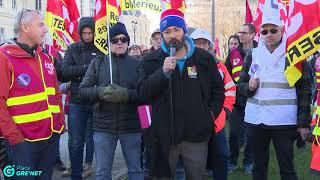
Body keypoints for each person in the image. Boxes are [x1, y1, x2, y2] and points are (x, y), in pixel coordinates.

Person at [138, 9, 225, 180]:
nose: (172, 35)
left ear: (184, 31)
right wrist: (162, 72)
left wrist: (208, 116)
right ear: (162, 35)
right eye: (167, 31)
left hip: (196, 136)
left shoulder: (204, 59)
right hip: (163, 137)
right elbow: (141, 94)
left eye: (176, 30)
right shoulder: (150, 60)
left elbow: (218, 90)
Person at [237, 15, 311, 180]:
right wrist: (248, 87)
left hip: (283, 121)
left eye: (273, 30)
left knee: (287, 168)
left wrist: (303, 123)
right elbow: (240, 87)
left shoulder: (294, 54)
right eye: (264, 31)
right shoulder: (253, 54)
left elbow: (305, 89)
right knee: (258, 167)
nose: (268, 34)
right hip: (256, 121)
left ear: (282, 30)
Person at [0, 9, 65, 179]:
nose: (46, 29)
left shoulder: (46, 59)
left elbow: (56, 95)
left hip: (50, 139)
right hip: (22, 143)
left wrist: (59, 124)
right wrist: (15, 138)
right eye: (41, 24)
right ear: (25, 27)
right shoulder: (4, 58)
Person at [79, 22, 143, 180]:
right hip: (104, 127)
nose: (119, 42)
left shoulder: (138, 64)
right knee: (102, 172)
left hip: (131, 126)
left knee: (135, 170)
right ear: (108, 43)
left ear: (128, 42)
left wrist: (127, 95)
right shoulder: (98, 62)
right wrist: (100, 92)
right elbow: (83, 90)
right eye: (114, 40)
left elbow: (145, 94)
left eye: (123, 39)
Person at [191, 28, 236, 180]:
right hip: (193, 123)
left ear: (209, 46)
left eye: (204, 43)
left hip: (217, 122)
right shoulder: (185, 64)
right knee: (195, 162)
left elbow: (230, 89)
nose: (200, 46)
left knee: (221, 157)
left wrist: (225, 111)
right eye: (197, 43)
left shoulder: (220, 67)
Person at [62, 17, 102, 179]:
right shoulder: (72, 49)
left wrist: (78, 72)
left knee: (94, 138)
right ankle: (76, 174)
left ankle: (88, 165)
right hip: (77, 102)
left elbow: (103, 73)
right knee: (76, 141)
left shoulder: (100, 50)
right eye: (84, 33)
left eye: (90, 33)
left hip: (95, 101)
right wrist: (88, 68)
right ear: (80, 33)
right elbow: (65, 71)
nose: (87, 36)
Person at [225, 23, 257, 174]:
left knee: (252, 135)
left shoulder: (260, 51)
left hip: (255, 100)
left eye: (244, 32)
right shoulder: (232, 53)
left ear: (252, 34)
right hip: (237, 102)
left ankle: (249, 162)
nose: (240, 35)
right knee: (234, 134)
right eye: (239, 32)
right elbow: (225, 74)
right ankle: (232, 161)